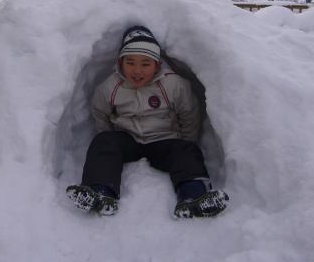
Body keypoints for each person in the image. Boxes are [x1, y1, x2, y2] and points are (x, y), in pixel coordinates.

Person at [66, 25, 228, 218]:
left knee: (187, 151)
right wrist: (110, 135)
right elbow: (100, 113)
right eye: (130, 62)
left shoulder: (173, 84)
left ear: (157, 64)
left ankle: (193, 196)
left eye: (145, 64)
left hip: (164, 140)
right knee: (103, 142)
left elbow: (189, 113)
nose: (137, 70)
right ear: (121, 62)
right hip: (127, 139)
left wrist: (186, 141)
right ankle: (101, 192)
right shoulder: (109, 87)